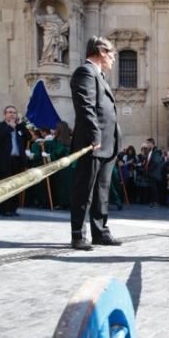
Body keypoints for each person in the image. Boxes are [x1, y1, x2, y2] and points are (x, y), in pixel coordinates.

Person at [70, 36, 122, 250]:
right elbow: (86, 107)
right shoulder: (85, 72)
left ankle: (100, 232)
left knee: (102, 190)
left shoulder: (99, 76)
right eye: (112, 54)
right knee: (85, 190)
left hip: (108, 144)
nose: (113, 59)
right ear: (101, 51)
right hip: (94, 143)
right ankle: (78, 235)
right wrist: (95, 136)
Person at [0, 106, 30, 216]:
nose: (12, 114)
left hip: (17, 161)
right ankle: (4, 209)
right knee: (5, 185)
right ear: (5, 114)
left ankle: (13, 209)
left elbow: (29, 136)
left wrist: (20, 125)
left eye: (14, 112)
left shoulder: (19, 128)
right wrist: (10, 128)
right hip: (4, 161)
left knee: (16, 185)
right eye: (10, 112)